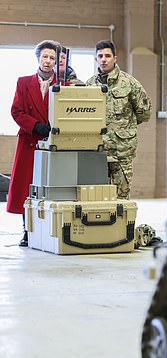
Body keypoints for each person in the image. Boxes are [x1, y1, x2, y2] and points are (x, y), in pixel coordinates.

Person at [6, 39, 60, 247]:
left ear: (56, 61)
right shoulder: (23, 82)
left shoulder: (63, 85)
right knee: (27, 190)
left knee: (50, 188)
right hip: (29, 141)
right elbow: (16, 111)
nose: (48, 61)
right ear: (38, 58)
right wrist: (35, 125)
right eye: (45, 56)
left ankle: (51, 231)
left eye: (52, 58)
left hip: (53, 143)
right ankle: (27, 231)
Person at [86, 40, 152, 199]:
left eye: (107, 56)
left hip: (121, 150)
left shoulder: (129, 83)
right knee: (96, 196)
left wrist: (124, 128)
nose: (104, 59)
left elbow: (145, 112)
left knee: (121, 197)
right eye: (100, 56)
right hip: (96, 150)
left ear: (115, 58)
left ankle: (122, 225)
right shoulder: (89, 85)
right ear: (96, 59)